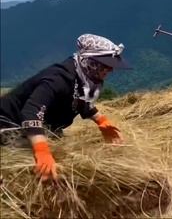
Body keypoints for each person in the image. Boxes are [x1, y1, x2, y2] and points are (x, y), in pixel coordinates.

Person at [0, 34, 129, 181]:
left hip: (42, 127)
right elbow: (31, 112)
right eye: (106, 65)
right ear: (91, 62)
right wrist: (41, 151)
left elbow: (79, 98)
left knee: (63, 152)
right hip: (7, 125)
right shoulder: (58, 79)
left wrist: (101, 121)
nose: (110, 70)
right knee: (50, 165)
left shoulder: (80, 75)